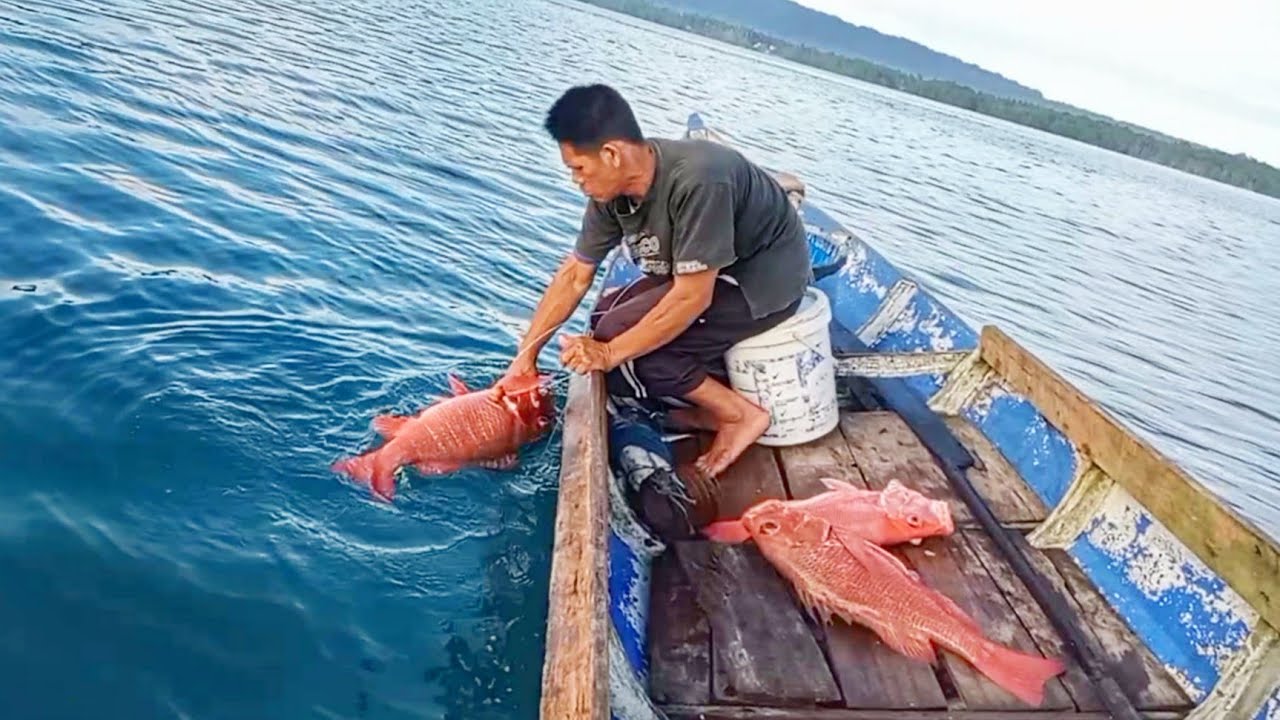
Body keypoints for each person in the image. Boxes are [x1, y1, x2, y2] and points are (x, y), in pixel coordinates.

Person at [498, 84, 812, 479]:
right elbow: (575, 274)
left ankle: (740, 416)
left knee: (639, 353)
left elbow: (692, 300)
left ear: (611, 154)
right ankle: (702, 395)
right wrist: (524, 357)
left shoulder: (700, 180)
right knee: (606, 317)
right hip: (712, 271)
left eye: (579, 169)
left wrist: (609, 354)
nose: (576, 180)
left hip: (765, 280)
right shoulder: (610, 196)